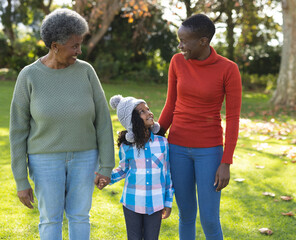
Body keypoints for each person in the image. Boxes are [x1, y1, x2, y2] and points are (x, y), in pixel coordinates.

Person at [9, 8, 115, 240]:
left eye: (80, 44)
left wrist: (106, 165)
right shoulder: (29, 76)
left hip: (85, 157)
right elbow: (17, 131)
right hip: (44, 160)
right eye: (74, 45)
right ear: (55, 46)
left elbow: (103, 121)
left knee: (80, 217)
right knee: (50, 219)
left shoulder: (86, 71)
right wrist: (20, 179)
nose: (79, 50)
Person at [158, 14, 242, 240]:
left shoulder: (228, 69)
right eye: (179, 40)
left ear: (203, 41)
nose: (180, 45)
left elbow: (233, 118)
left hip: (209, 151)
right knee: (186, 215)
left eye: (184, 41)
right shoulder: (177, 62)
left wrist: (226, 161)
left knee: (209, 219)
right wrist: (154, 134)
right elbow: (170, 105)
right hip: (177, 148)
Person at [106, 95, 173, 240]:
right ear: (132, 120)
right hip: (132, 202)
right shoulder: (126, 147)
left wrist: (168, 202)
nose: (149, 112)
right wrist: (106, 177)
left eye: (147, 109)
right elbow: (123, 170)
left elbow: (167, 174)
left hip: (156, 203)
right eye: (142, 111)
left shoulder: (163, 143)